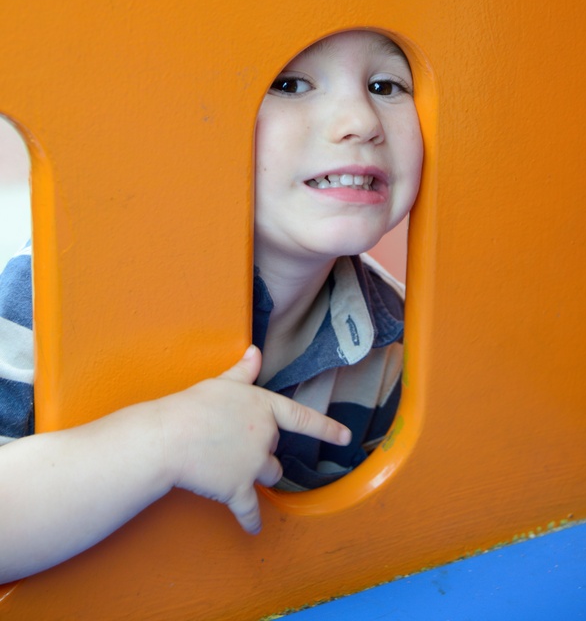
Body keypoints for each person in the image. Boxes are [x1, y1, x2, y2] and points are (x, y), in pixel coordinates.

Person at [0, 29, 423, 581]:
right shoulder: (58, 289)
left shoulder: (392, 337)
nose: (361, 121)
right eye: (289, 84)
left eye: (386, 86)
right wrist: (167, 443)